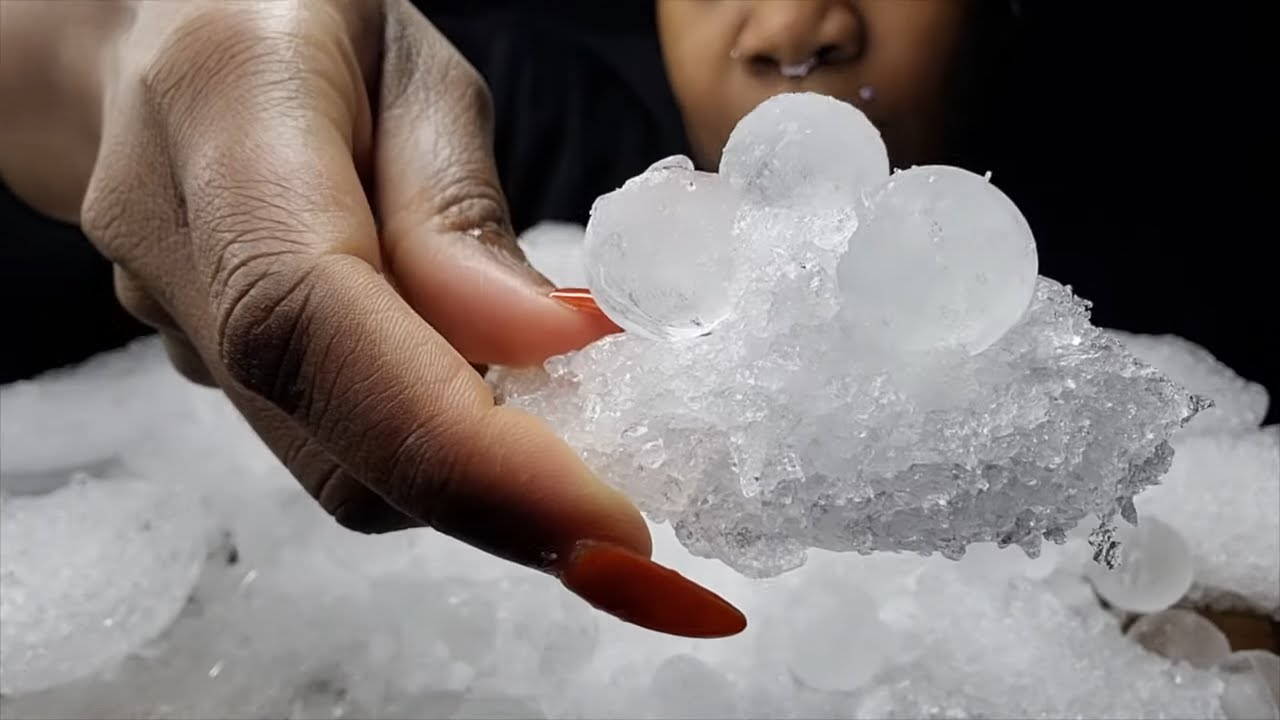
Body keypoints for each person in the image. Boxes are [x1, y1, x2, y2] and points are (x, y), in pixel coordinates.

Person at [0, 0, 1270, 639]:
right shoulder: (539, 134)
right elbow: (57, 50)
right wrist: (134, 46)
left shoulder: (1189, 204)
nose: (793, 22)